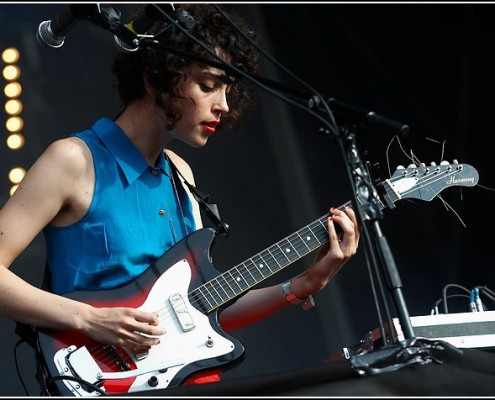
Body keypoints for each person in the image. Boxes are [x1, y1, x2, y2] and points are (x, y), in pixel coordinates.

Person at [0, 3, 359, 396]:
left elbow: (196, 311)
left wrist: (304, 282)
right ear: (157, 81)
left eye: (227, 88)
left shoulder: (182, 175)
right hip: (97, 380)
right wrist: (88, 319)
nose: (223, 104)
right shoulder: (72, 160)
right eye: (208, 85)